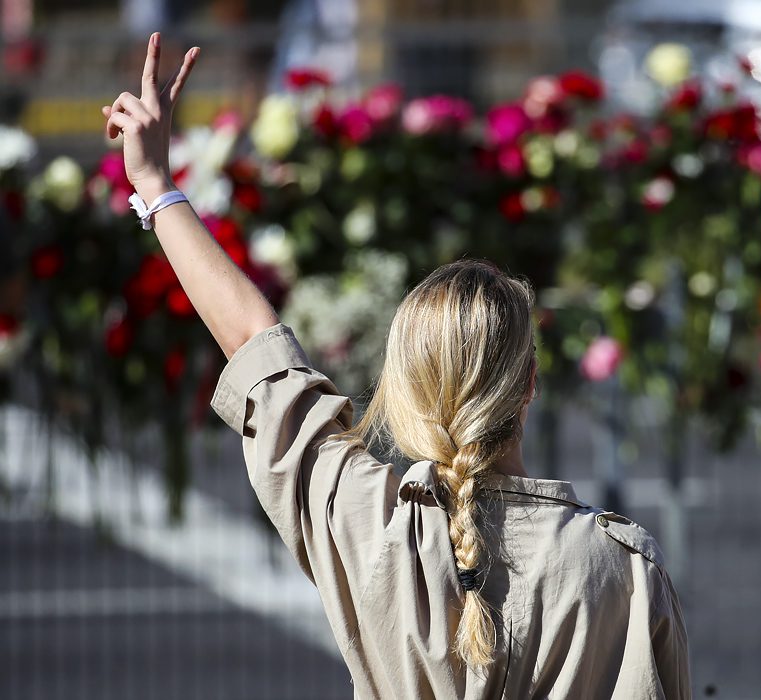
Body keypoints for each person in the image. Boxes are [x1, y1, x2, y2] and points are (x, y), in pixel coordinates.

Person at [102, 32, 691, 698]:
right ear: (528, 384)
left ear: (404, 389)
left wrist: (155, 185)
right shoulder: (621, 568)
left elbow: (252, 341)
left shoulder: (366, 521)